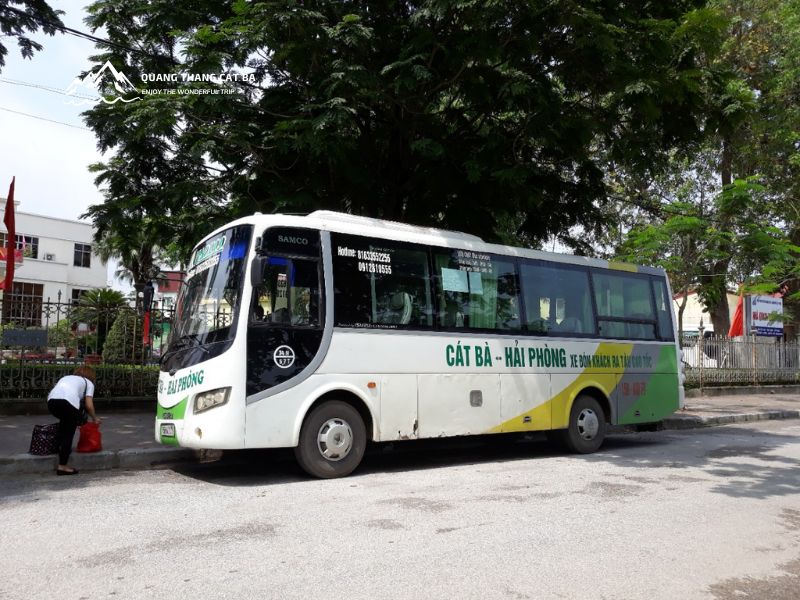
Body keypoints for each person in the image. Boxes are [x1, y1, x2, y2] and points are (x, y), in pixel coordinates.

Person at [47, 366, 101, 475]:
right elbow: (89, 405)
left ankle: (57, 448)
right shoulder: (89, 383)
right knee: (68, 433)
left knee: (64, 424)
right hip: (68, 403)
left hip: (51, 402)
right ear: (91, 376)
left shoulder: (66, 377)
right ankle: (62, 466)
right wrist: (95, 418)